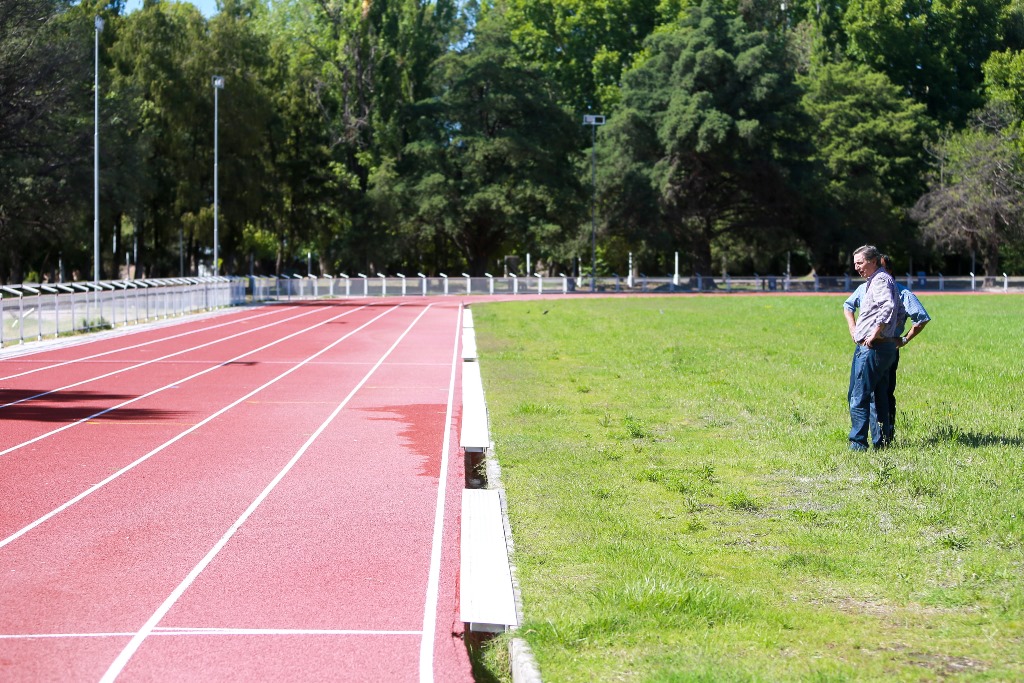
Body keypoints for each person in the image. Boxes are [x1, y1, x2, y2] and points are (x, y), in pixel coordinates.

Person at [843, 255, 931, 447]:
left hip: (878, 346)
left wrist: (903, 339)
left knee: (871, 394)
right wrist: (853, 328)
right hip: (886, 347)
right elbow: (848, 305)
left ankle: (863, 442)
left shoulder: (901, 292)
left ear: (887, 271)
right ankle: (882, 441)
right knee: (880, 394)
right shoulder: (865, 287)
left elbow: (921, 318)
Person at [846, 245, 902, 451]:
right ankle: (883, 442)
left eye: (860, 263)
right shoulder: (879, 280)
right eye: (854, 264)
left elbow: (887, 307)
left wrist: (875, 333)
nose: (857, 268)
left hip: (874, 348)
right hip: (881, 347)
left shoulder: (880, 280)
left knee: (858, 396)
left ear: (873, 261)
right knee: (879, 397)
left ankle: (858, 444)